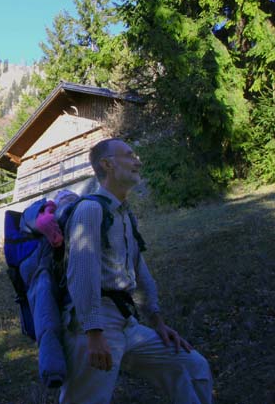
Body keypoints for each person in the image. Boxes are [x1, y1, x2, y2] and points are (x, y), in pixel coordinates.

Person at [59, 138, 212, 404]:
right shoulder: (90, 210)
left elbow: (140, 271)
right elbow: (81, 275)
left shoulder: (125, 214)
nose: (137, 161)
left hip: (129, 323)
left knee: (192, 366)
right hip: (96, 324)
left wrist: (157, 322)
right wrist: (93, 333)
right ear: (107, 165)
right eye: (129, 155)